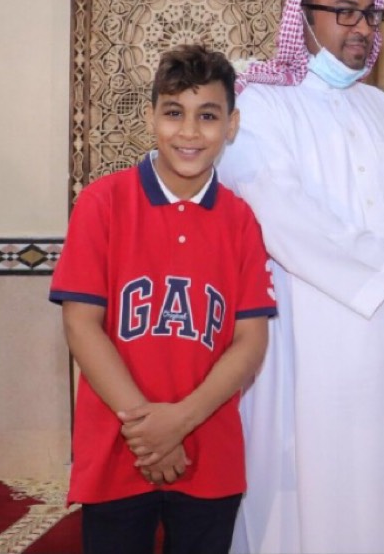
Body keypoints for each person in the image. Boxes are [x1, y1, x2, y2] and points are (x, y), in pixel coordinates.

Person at [216, 0, 384, 554]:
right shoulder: (262, 107)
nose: (363, 28)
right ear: (303, 17)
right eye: (345, 13)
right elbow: (284, 216)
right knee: (311, 477)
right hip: (309, 333)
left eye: (369, 15)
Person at [49, 45, 276, 554]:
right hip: (116, 448)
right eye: (174, 113)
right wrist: (148, 431)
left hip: (208, 452)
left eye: (208, 116)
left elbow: (250, 341)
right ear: (152, 117)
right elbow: (81, 326)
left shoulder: (241, 221)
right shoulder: (103, 203)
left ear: (232, 125)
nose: (189, 132)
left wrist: (179, 422)